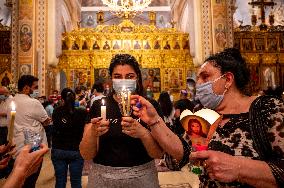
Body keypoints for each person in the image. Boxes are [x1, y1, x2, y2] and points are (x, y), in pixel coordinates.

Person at [131, 48, 284, 187]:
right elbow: (182, 154)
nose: (199, 84)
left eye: (205, 77)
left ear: (228, 80)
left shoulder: (267, 108)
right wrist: (153, 120)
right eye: (198, 78)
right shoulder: (203, 115)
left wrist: (238, 168)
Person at [79, 54, 164, 188]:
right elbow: (86, 154)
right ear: (111, 79)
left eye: (129, 76)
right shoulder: (98, 106)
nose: (123, 80)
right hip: (103, 178)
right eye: (118, 76)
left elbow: (158, 153)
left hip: (142, 178)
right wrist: (93, 133)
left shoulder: (149, 105)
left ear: (137, 77)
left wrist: (143, 133)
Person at [12, 75, 51, 188]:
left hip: (16, 145)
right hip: (32, 146)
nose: (36, 90)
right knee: (30, 181)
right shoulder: (33, 102)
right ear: (25, 88)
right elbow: (46, 121)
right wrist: (46, 121)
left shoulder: (12, 100)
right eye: (34, 87)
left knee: (19, 180)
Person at [51, 88, 87, 188]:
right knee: (76, 182)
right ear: (75, 98)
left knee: (60, 181)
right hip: (76, 150)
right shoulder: (82, 112)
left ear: (62, 99)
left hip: (59, 149)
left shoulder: (56, 111)